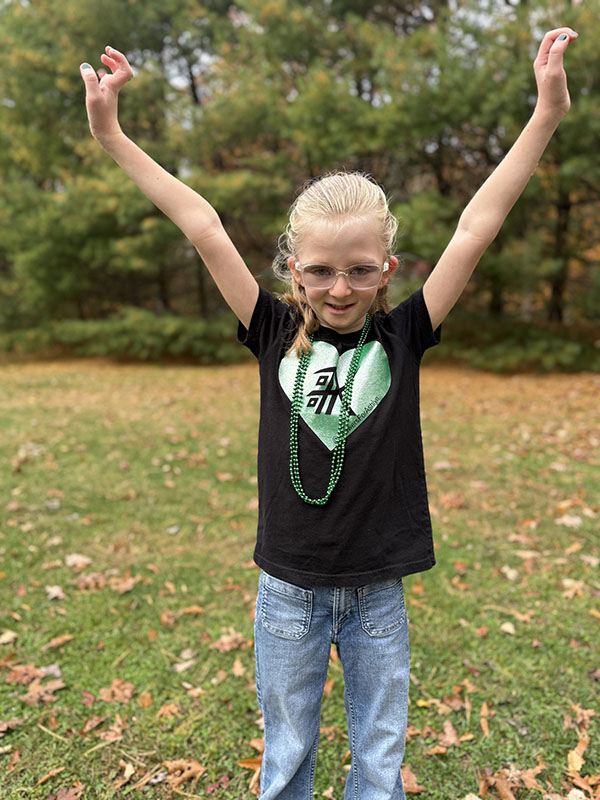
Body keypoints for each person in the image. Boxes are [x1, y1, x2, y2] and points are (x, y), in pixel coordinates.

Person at [80, 27, 577, 800]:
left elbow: (478, 224)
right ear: (292, 269)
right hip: (288, 589)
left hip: (379, 589)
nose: (339, 288)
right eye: (319, 270)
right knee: (286, 758)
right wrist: (112, 135)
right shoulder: (272, 330)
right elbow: (202, 224)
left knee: (379, 763)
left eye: (358, 270)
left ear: (388, 269)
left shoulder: (404, 334)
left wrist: (544, 114)